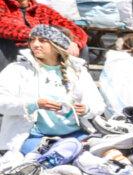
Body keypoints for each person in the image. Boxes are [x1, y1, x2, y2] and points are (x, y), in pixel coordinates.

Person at [0, 24, 104, 155]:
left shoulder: (77, 70)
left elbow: (98, 104)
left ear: (57, 45)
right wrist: (33, 104)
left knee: (107, 151)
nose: (35, 44)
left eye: (42, 40)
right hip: (33, 138)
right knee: (65, 154)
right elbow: (2, 103)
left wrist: (86, 109)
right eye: (32, 39)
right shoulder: (17, 70)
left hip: (75, 134)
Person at [0, 0, 87, 72]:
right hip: (12, 49)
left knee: (80, 47)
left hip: (41, 49)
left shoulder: (42, 10)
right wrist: (43, 35)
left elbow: (74, 29)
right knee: (3, 43)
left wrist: (74, 43)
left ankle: (74, 81)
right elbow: (4, 28)